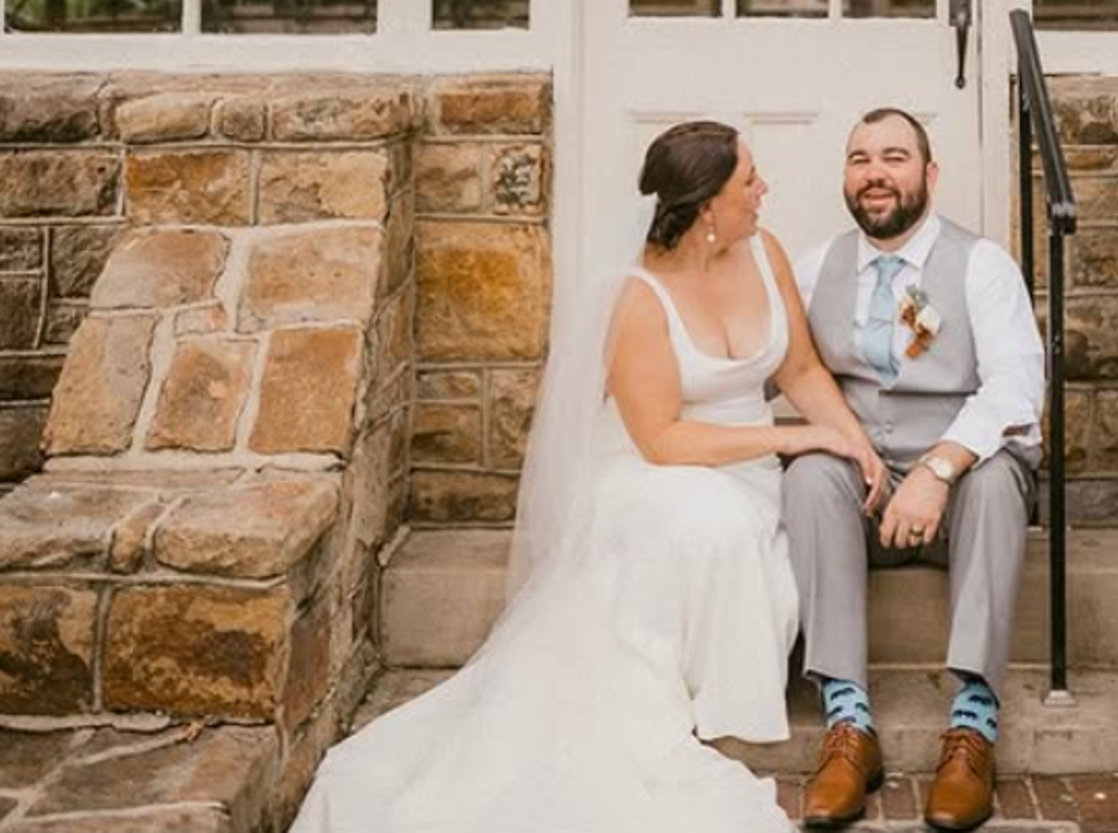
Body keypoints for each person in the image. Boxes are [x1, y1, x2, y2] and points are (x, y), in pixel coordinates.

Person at [291, 119, 884, 833]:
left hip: (743, 464)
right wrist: (795, 439)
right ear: (705, 210)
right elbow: (663, 439)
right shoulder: (636, 296)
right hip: (650, 465)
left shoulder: (767, 253)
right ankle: (674, 694)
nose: (765, 191)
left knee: (749, 520)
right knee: (708, 524)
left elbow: (799, 368)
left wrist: (853, 442)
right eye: (749, 181)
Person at [786, 108, 1045, 833]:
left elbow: (1017, 392)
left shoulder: (981, 265)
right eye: (860, 157)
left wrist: (938, 468)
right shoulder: (814, 267)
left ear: (929, 175)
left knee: (998, 475)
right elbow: (773, 371)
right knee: (807, 475)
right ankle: (848, 725)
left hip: (958, 497)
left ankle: (971, 725)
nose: (875, 173)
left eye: (894, 156)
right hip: (862, 492)